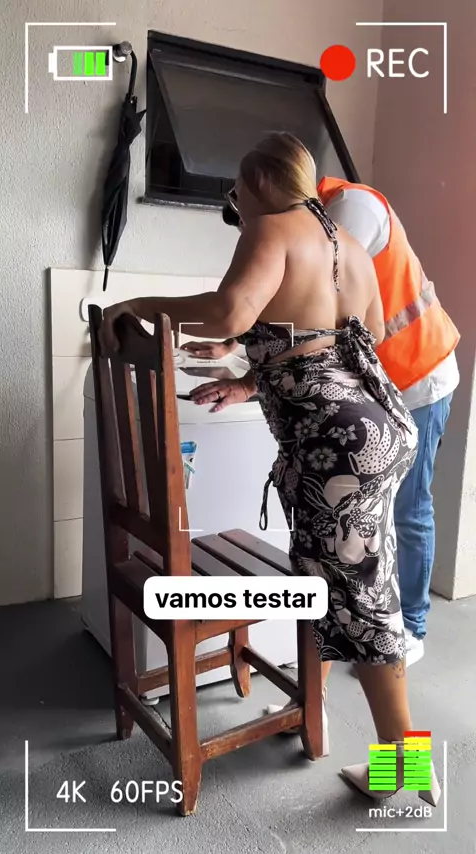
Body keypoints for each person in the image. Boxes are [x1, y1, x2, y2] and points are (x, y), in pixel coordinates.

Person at [100, 132, 440, 805]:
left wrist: (137, 306)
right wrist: (253, 372)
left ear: (256, 182)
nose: (237, 207)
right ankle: (355, 734)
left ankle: (406, 760)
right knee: (356, 593)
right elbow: (349, 340)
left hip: (336, 451)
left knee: (360, 605)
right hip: (377, 429)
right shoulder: (348, 246)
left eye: (237, 193)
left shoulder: (273, 227)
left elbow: (230, 310)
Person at [184, 174, 460, 667]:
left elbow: (311, 309)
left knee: (405, 517)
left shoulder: (347, 212)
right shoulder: (315, 219)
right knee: (347, 559)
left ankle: (410, 630)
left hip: (416, 374)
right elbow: (295, 319)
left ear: (268, 191)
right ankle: (328, 685)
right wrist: (242, 360)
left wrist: (239, 346)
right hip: (368, 396)